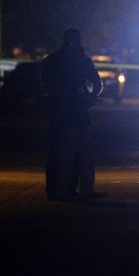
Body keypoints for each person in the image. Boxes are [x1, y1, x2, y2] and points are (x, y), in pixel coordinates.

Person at [39, 28, 106, 201]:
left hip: (60, 113)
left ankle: (57, 189)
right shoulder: (81, 60)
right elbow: (97, 83)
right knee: (79, 155)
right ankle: (73, 189)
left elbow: (45, 85)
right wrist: (89, 99)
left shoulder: (52, 61)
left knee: (59, 154)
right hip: (76, 113)